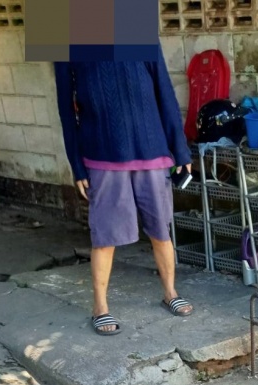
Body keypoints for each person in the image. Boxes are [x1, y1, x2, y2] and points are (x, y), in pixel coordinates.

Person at [54, 49, 194, 336]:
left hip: (151, 150)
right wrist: (77, 166)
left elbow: (164, 91)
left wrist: (180, 149)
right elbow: (66, 109)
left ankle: (170, 292)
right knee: (105, 236)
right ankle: (100, 308)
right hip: (102, 155)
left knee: (161, 231)